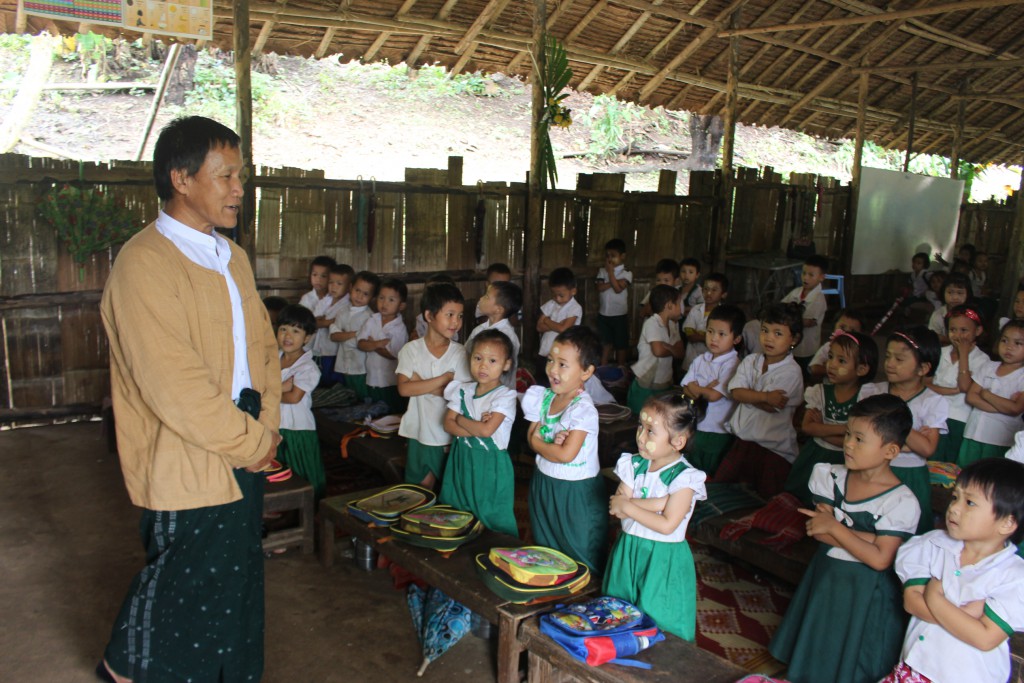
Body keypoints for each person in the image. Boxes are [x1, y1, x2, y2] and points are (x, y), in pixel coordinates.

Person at [98, 116, 281, 683]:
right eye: (225, 175)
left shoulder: (233, 258)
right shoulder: (144, 264)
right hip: (186, 450)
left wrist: (267, 426)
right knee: (185, 576)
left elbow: (264, 353)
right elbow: (173, 386)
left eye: (240, 176)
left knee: (236, 576)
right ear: (181, 178)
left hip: (246, 438)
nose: (238, 189)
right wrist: (251, 442)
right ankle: (130, 668)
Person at [769, 394, 921, 683]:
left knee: (853, 657)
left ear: (890, 450)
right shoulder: (832, 476)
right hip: (828, 579)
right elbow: (817, 531)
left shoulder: (901, 501)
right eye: (848, 434)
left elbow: (880, 560)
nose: (848, 443)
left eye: (860, 439)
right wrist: (869, 539)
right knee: (820, 644)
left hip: (866, 593)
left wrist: (838, 528)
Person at [884, 459, 1024, 683]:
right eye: (955, 497)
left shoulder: (1015, 576)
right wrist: (967, 616)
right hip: (916, 671)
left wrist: (934, 596)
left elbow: (985, 638)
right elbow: (912, 602)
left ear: (1007, 523)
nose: (955, 508)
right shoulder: (932, 545)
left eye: (970, 503)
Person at [603, 394, 708, 641]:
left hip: (663, 559)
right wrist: (660, 503)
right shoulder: (633, 464)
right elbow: (616, 509)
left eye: (651, 431)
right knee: (619, 610)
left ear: (678, 441)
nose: (640, 435)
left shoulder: (685, 478)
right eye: (641, 425)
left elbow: (667, 525)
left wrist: (630, 506)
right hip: (629, 550)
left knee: (660, 619)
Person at [522, 326, 607, 574]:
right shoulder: (543, 397)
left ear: (587, 371)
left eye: (562, 364)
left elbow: (565, 454)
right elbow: (530, 438)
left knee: (580, 548)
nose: (552, 370)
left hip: (576, 491)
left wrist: (541, 445)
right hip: (545, 482)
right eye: (550, 361)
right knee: (547, 544)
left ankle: (587, 603)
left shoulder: (582, 410)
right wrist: (546, 446)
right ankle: (554, 596)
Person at [714, 302, 805, 498]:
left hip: (773, 449)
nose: (769, 338)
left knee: (765, 499)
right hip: (744, 441)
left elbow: (773, 407)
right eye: (765, 330)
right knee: (725, 492)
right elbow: (736, 393)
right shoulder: (751, 360)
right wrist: (764, 396)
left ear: (794, 339)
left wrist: (749, 395)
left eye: (778, 333)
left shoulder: (791, 371)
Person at [785, 331, 879, 505]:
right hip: (814, 457)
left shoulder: (865, 397)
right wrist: (846, 430)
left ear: (861, 369)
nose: (831, 365)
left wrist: (821, 430)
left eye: (841, 361)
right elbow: (807, 427)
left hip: (844, 461)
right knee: (802, 500)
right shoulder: (819, 391)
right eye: (830, 357)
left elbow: (857, 439)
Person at [440, 329, 519, 536]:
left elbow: (486, 430)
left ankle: (501, 555)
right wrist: (473, 426)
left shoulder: (505, 396)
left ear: (506, 364)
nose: (483, 365)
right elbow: (447, 424)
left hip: (490, 464)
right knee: (458, 506)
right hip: (462, 457)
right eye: (478, 358)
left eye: (492, 360)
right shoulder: (463, 390)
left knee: (491, 511)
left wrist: (461, 419)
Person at [870, 326, 947, 533]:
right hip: (872, 469)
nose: (890, 364)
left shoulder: (932, 401)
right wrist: (908, 441)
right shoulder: (872, 391)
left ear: (923, 368)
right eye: (888, 356)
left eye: (899, 359)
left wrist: (895, 417)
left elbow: (927, 448)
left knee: (907, 528)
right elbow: (865, 437)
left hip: (910, 476)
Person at [396, 282, 470, 488]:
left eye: (460, 316)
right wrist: (444, 379)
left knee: (448, 489)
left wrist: (419, 383)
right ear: (429, 316)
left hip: (447, 433)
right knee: (420, 489)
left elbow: (458, 396)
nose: (456, 322)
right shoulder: (411, 350)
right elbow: (404, 389)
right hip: (419, 431)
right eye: (450, 314)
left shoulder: (460, 353)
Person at [681, 304, 744, 476]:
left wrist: (698, 389)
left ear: (736, 339)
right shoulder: (701, 359)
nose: (714, 338)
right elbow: (686, 389)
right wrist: (703, 390)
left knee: (710, 472)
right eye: (710, 331)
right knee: (691, 469)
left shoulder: (733, 365)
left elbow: (714, 395)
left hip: (718, 431)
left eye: (722, 334)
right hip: (696, 426)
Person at [926, 305, 990, 462]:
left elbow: (965, 386)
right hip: (932, 414)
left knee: (949, 463)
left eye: (964, 330)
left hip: (959, 419)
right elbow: (924, 383)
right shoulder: (940, 353)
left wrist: (963, 355)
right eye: (953, 330)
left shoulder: (982, 360)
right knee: (931, 459)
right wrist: (951, 391)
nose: (958, 335)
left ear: (978, 331)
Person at [276, 304, 325, 500]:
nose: (288, 336)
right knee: (279, 470)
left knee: (301, 468)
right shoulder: (274, 358)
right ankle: (284, 506)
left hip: (297, 428)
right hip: (275, 423)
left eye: (296, 331)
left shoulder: (308, 367)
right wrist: (280, 388)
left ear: (307, 337)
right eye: (283, 329)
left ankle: (312, 506)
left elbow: (294, 398)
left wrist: (269, 392)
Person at [959, 319, 1024, 464]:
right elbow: (971, 397)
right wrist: (1003, 406)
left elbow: (1015, 408)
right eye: (1004, 341)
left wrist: (986, 394)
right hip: (973, 433)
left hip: (1000, 439)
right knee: (966, 474)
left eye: (1018, 343)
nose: (1009, 347)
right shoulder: (988, 366)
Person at [627, 284, 684, 414]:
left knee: (660, 416)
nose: (682, 307)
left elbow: (681, 353)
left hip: (664, 381)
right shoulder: (652, 323)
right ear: (669, 305)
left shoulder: (672, 325)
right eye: (679, 303)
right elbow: (658, 351)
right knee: (641, 415)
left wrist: (667, 347)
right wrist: (672, 349)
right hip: (647, 382)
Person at [357, 277, 409, 413]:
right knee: (374, 412)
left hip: (390, 382)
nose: (384, 303)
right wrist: (378, 344)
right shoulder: (372, 320)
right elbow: (361, 344)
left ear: (401, 305)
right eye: (381, 298)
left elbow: (393, 354)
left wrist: (372, 344)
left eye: (391, 300)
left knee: (391, 412)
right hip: (371, 378)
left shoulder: (399, 328)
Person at [329, 270, 378, 400]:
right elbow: (334, 336)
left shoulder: (370, 317)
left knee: (362, 396)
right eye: (357, 290)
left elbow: (360, 343)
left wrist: (344, 336)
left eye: (366, 294)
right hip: (343, 363)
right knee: (348, 395)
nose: (359, 296)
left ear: (372, 297)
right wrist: (355, 333)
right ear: (350, 288)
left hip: (360, 366)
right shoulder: (342, 312)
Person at [466, 280, 522, 389]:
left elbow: (505, 372)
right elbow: (467, 354)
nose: (481, 299)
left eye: (486, 296)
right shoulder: (479, 330)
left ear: (498, 309)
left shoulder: (508, 336)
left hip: (499, 392)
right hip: (477, 389)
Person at [781, 254, 829, 375]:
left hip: (807, 347)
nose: (805, 278)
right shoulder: (796, 292)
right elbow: (781, 307)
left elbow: (808, 322)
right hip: (792, 344)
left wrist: (787, 318)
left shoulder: (819, 299)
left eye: (811, 275)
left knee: (803, 374)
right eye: (803, 273)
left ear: (822, 277)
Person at [536, 267, 581, 387]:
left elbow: (563, 329)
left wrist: (547, 320)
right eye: (554, 295)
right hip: (545, 351)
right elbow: (539, 327)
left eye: (561, 295)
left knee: (557, 382)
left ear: (573, 291)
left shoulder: (575, 308)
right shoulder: (550, 304)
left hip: (563, 355)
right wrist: (557, 324)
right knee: (542, 382)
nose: (557, 298)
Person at [311, 263, 352, 384]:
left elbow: (337, 322)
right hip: (318, 347)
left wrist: (323, 322)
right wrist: (322, 322)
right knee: (319, 375)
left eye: (339, 284)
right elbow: (314, 320)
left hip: (333, 350)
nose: (334, 287)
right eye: (331, 282)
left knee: (332, 377)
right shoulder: (325, 300)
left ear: (349, 287)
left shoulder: (348, 305)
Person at [596, 238, 633, 366]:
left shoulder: (627, 273)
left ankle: (621, 369)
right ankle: (603, 368)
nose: (609, 259)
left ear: (622, 256)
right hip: (603, 315)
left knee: (621, 344)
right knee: (605, 344)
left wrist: (611, 273)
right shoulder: (601, 271)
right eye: (607, 256)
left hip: (619, 315)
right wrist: (614, 282)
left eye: (613, 256)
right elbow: (600, 288)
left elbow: (618, 290)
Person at [681, 272, 728, 370]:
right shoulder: (695, 310)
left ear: (723, 294)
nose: (709, 293)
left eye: (714, 290)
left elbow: (719, 340)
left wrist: (699, 335)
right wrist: (706, 336)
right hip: (691, 360)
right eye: (706, 289)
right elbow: (690, 335)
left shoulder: (724, 315)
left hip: (711, 364)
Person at [807, 308, 868, 382]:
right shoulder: (828, 347)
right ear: (834, 327)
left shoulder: (861, 352)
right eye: (842, 327)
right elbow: (814, 368)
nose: (846, 332)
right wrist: (837, 370)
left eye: (853, 331)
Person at [928, 272, 970, 344]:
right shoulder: (938, 315)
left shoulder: (972, 314)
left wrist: (945, 339)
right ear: (943, 293)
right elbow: (932, 339)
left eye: (960, 293)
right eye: (950, 292)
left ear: (968, 294)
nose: (955, 297)